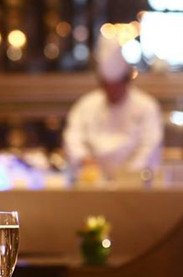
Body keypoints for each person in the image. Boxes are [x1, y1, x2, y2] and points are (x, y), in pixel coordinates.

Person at [63, 35, 164, 183]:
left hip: (134, 183)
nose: (112, 91)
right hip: (93, 183)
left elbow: (150, 145)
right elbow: (73, 137)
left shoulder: (146, 106)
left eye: (116, 86)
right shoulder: (86, 105)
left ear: (126, 81)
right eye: (107, 86)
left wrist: (128, 173)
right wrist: (84, 159)